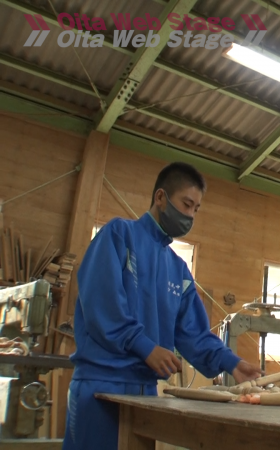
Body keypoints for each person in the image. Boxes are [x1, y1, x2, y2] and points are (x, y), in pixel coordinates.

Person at [63, 162, 262, 450]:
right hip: (102, 385)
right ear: (160, 198)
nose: (190, 215)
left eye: (196, 209)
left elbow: (194, 333)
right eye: (186, 204)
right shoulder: (119, 236)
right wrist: (146, 348)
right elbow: (101, 306)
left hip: (145, 394)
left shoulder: (178, 269)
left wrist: (231, 362)